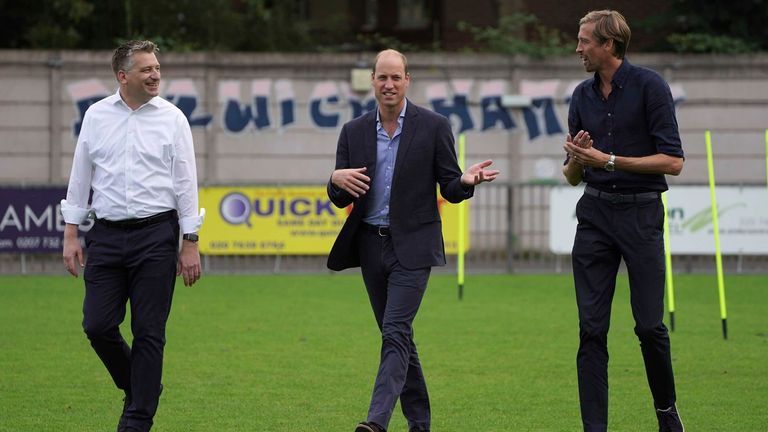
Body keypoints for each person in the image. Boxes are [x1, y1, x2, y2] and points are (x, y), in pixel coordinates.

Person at [327, 49, 499, 432]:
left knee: (394, 332)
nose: (389, 85)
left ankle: (376, 422)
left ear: (408, 81)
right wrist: (333, 181)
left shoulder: (434, 126)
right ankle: (419, 423)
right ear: (372, 80)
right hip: (370, 246)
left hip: (414, 248)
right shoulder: (353, 131)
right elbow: (341, 194)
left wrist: (466, 183)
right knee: (399, 336)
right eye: (382, 77)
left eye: (396, 78)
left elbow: (450, 187)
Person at [61, 40, 204, 432]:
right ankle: (142, 387)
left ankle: (137, 419)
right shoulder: (95, 116)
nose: (156, 74)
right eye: (147, 69)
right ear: (123, 76)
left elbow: (186, 182)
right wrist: (71, 232)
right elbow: (81, 175)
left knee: (149, 332)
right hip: (105, 236)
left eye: (157, 68)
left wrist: (189, 242)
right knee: (98, 325)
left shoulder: (173, 118)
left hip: (157, 235)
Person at [562, 10, 686, 432]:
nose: (577, 49)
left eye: (584, 41)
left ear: (608, 45)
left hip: (641, 214)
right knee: (591, 330)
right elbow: (570, 173)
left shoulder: (651, 87)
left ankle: (667, 413)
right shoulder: (580, 96)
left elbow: (673, 162)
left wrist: (609, 160)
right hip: (594, 216)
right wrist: (580, 160)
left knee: (649, 326)